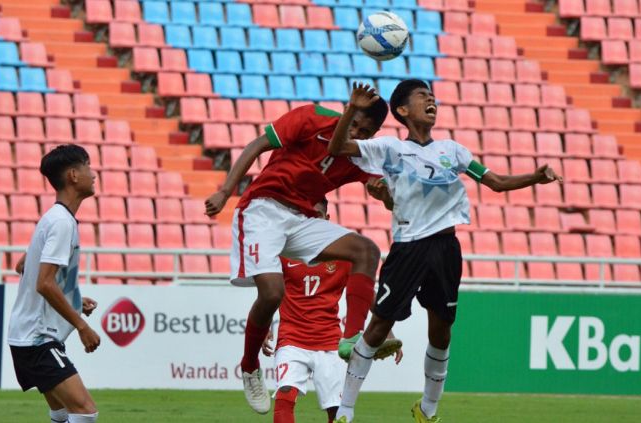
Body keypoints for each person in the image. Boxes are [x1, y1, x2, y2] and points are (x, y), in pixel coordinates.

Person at [328, 81, 562, 423]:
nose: (431, 100)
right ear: (404, 111)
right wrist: (351, 108)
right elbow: (337, 149)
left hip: (446, 248)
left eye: (432, 96)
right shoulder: (389, 149)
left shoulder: (453, 151)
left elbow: (495, 182)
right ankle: (345, 411)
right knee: (379, 326)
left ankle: (428, 410)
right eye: (422, 96)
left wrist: (534, 178)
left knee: (441, 330)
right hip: (409, 248)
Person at [205, 100, 402, 414]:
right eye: (354, 124)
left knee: (366, 251)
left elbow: (388, 200)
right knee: (272, 294)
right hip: (263, 209)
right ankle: (250, 365)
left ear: (373, 133)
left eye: (365, 132)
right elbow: (257, 145)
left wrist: (384, 195)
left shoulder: (360, 155)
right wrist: (225, 190)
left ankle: (351, 339)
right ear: (349, 114)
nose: (356, 133)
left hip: (302, 219)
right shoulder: (314, 117)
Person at [263, 199, 403, 423]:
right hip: (291, 339)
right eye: (306, 214)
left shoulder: (344, 255)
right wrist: (265, 326)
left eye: (317, 214)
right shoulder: (285, 250)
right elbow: (271, 291)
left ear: (327, 219)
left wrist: (387, 331)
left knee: (336, 410)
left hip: (329, 342)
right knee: (285, 395)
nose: (311, 219)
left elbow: (366, 293)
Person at [7, 144, 101, 423]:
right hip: (37, 338)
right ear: (73, 174)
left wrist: (72, 300)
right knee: (85, 411)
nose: (93, 174)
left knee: (61, 413)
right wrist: (82, 326)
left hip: (28, 335)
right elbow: (44, 284)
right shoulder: (61, 223)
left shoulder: (55, 218)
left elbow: (23, 265)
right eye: (88, 166)